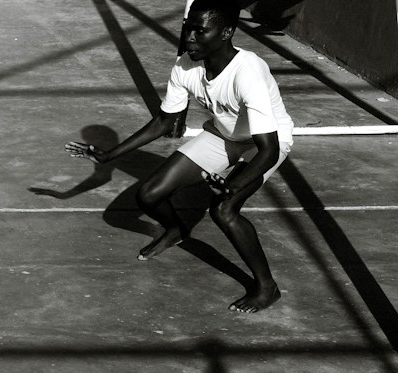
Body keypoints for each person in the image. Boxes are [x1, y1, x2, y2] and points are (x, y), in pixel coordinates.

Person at [67, 0, 292, 312]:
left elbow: (270, 150)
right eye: (189, 29)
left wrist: (235, 186)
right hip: (223, 135)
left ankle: (267, 288)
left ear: (226, 32)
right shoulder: (185, 65)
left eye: (200, 31)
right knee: (148, 195)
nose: (190, 38)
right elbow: (164, 121)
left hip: (266, 141)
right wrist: (110, 156)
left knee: (224, 209)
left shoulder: (248, 71)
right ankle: (176, 230)